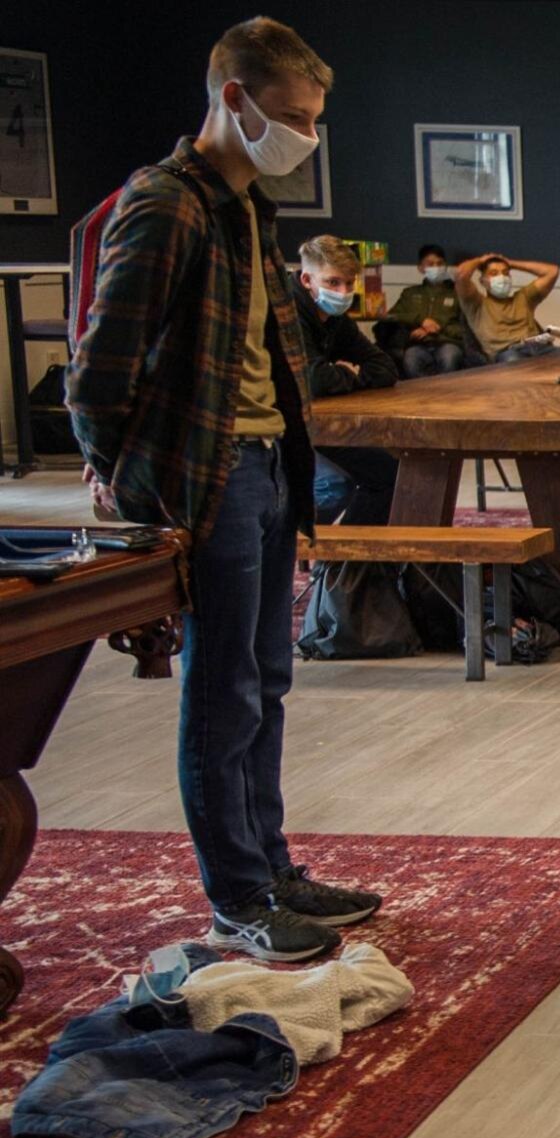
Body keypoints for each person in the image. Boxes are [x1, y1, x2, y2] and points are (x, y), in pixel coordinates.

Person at [66, 17, 380, 963]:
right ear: (232, 100)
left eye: (316, 120)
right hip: (207, 477)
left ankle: (272, 866)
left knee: (268, 680)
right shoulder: (167, 205)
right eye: (291, 116)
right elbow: (99, 367)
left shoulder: (251, 209)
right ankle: (238, 897)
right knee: (223, 690)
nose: (305, 138)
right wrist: (121, 474)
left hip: (269, 464)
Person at [293, 234, 399, 525]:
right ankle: (293, 544)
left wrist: (343, 375)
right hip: (279, 431)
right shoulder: (287, 312)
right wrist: (345, 373)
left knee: (393, 471)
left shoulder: (335, 318)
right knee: (332, 487)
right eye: (332, 283)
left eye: (350, 283)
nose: (343, 292)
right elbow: (314, 379)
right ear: (306, 280)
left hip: (321, 426)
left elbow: (384, 367)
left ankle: (351, 567)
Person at [380, 243, 471, 378]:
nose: (436, 267)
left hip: (448, 343)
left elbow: (466, 327)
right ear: (421, 268)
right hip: (418, 344)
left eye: (440, 263)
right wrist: (421, 321)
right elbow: (391, 316)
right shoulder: (409, 293)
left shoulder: (456, 293)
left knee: (449, 358)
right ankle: (423, 396)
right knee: (411, 360)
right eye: (430, 264)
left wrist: (437, 327)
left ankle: (447, 396)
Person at [456, 250, 559, 361]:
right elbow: (461, 274)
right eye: (494, 273)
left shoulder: (524, 297)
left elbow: (552, 271)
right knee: (516, 364)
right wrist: (480, 260)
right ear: (482, 281)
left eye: (505, 273)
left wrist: (511, 263)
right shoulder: (476, 303)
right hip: (508, 353)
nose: (501, 277)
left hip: (539, 347)